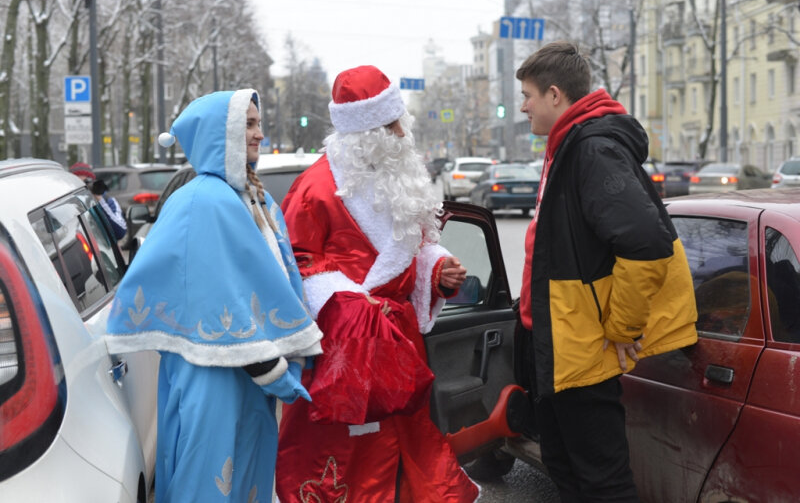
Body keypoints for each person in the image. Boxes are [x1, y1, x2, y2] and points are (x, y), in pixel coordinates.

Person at [105, 89, 323, 502]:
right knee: (207, 478)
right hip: (215, 369)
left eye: (259, 124)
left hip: (245, 368)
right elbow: (211, 291)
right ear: (216, 135)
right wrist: (269, 365)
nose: (260, 134)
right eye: (249, 125)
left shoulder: (251, 196)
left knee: (243, 472)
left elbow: (269, 278)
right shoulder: (203, 200)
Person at [275, 65, 480, 503]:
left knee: (409, 444)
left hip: (397, 346)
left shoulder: (397, 178)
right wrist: (347, 303)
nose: (402, 132)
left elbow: (415, 245)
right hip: (343, 350)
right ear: (366, 132)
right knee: (344, 456)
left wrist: (436, 268)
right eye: (391, 124)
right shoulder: (315, 189)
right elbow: (296, 265)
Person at [516, 41, 698, 502]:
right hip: (562, 343)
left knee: (602, 482)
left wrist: (621, 328)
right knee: (565, 468)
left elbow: (648, 245)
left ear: (555, 95)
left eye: (528, 95)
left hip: (586, 347)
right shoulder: (568, 145)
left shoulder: (592, 149)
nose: (523, 107)